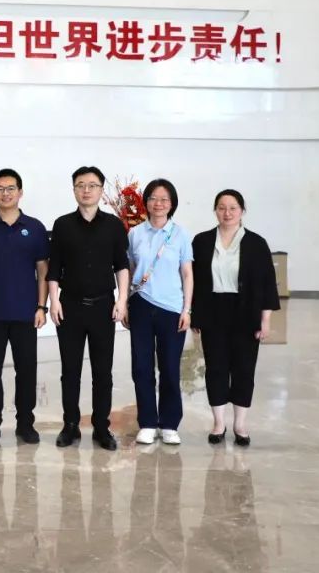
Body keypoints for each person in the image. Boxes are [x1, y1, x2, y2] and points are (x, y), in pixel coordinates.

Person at [47, 166, 129, 450]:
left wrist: (121, 300)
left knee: (102, 372)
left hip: (103, 307)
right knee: (70, 370)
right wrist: (54, 300)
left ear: (101, 190)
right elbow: (54, 268)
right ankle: (70, 425)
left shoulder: (114, 225)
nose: (86, 190)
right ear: (74, 190)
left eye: (92, 185)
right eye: (80, 185)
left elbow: (121, 266)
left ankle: (101, 427)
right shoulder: (62, 225)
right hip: (70, 306)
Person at [191, 189, 280, 447]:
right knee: (215, 368)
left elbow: (267, 285)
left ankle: (240, 424)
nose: (227, 213)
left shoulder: (256, 243)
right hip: (213, 311)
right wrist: (195, 314)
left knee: (244, 368)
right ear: (215, 210)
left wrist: (265, 321)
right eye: (221, 207)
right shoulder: (202, 241)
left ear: (242, 211)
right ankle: (218, 423)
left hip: (246, 312)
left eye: (232, 208)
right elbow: (193, 280)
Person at [0, 168, 49, 445]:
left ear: (20, 192)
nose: (6, 193)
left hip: (26, 313)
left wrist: (42, 307)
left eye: (11, 188)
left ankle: (25, 423)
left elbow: (42, 270)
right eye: (0, 189)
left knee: (26, 370)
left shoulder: (35, 227)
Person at [126, 178, 194, 446]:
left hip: (171, 308)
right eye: (154, 198)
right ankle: (147, 422)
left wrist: (187, 309)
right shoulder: (135, 234)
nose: (159, 203)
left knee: (169, 367)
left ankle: (169, 424)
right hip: (141, 305)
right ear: (146, 202)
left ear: (172, 203)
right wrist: (125, 303)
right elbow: (130, 270)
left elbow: (187, 273)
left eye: (164, 199)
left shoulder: (180, 234)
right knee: (141, 366)